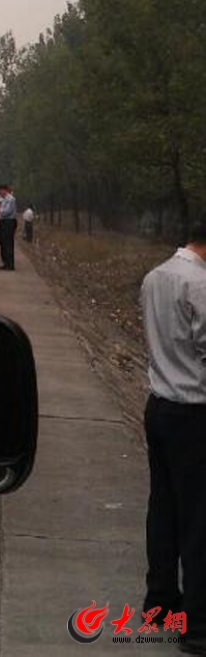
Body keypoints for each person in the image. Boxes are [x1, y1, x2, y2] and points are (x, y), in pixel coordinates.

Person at [140, 221, 206, 655]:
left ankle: (161, 604)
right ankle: (198, 627)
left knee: (163, 510)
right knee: (199, 520)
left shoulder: (155, 276)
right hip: (195, 414)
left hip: (160, 405)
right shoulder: (199, 284)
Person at [0, 185, 17, 270]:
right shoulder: (4, 199)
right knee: (3, 243)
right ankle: (5, 262)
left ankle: (10, 264)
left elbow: (7, 212)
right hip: (3, 222)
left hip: (8, 222)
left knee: (8, 243)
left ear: (4, 190)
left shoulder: (10, 199)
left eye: (0, 191)